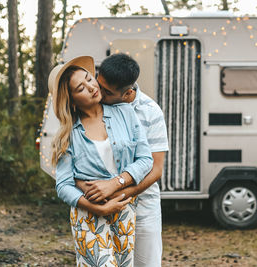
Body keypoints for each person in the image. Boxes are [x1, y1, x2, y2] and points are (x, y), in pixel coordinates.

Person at [49, 55, 153, 267]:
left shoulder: (125, 112)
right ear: (71, 100)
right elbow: (63, 186)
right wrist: (97, 209)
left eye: (89, 78)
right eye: (80, 88)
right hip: (88, 212)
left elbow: (145, 159)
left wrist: (117, 183)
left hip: (124, 208)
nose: (91, 86)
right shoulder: (66, 135)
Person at [77, 53, 168, 267]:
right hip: (99, 201)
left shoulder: (150, 112)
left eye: (106, 92)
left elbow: (155, 169)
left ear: (127, 93)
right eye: (98, 83)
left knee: (147, 263)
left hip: (144, 202)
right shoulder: (93, 106)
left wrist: (118, 192)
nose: (98, 92)